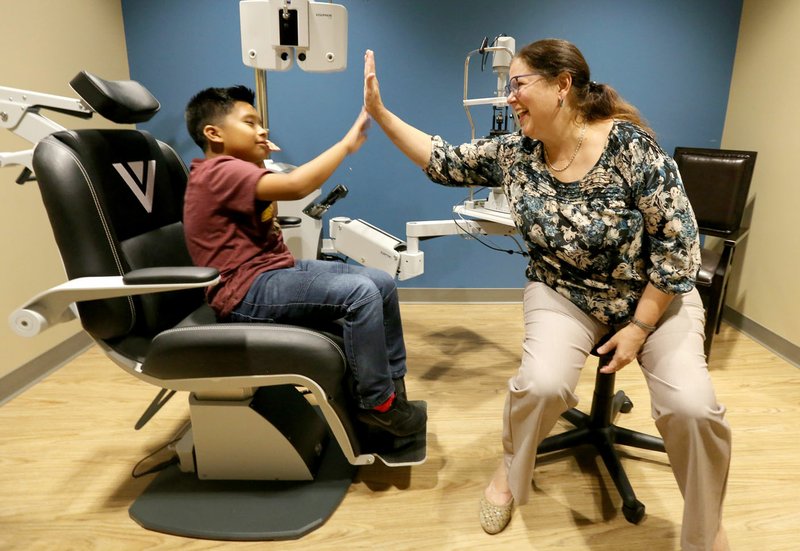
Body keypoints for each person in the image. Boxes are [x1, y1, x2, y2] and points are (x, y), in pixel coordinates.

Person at [363, 39, 731, 551]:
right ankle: (510, 472)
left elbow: (678, 247)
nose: (509, 98)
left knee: (692, 408)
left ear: (562, 86)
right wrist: (379, 113)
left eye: (518, 85)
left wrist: (640, 328)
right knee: (539, 385)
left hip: (654, 300)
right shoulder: (515, 154)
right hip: (565, 294)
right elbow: (442, 160)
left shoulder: (630, 147)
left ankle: (706, 527)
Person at [183, 85, 426, 437]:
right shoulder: (217, 171)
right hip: (243, 291)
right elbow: (296, 187)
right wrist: (346, 145)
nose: (262, 130)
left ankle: (391, 388)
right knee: (359, 293)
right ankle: (377, 405)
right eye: (250, 122)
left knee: (382, 282)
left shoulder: (235, 170)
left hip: (272, 272)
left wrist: (255, 156)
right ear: (214, 133)